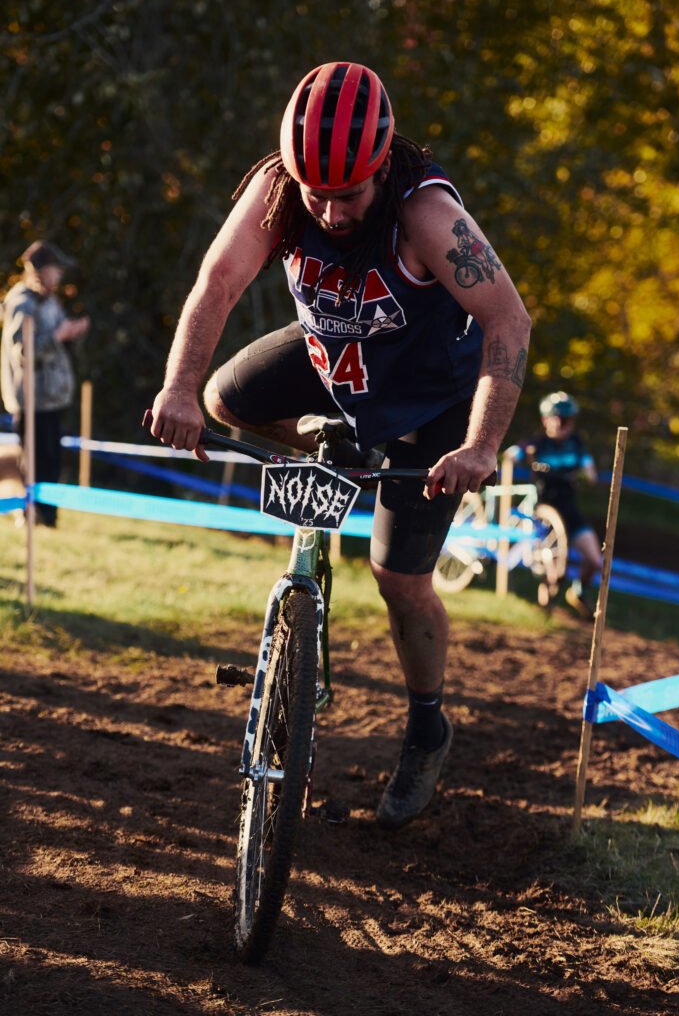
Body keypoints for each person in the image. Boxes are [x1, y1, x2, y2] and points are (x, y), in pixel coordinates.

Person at [148, 62, 531, 828]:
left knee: (398, 579)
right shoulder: (277, 190)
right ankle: (335, 445)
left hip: (430, 401)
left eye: (347, 194)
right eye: (313, 192)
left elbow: (508, 321)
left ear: (381, 167)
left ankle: (426, 727)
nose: (327, 210)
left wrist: (481, 446)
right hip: (338, 361)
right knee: (223, 397)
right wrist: (176, 389)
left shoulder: (426, 214)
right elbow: (217, 283)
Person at [0, 240, 89, 526]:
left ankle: (47, 517)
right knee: (35, 461)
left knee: (51, 460)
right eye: (56, 269)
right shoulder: (22, 302)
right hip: (31, 400)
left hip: (51, 399)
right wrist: (58, 336)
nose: (60, 275)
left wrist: (71, 333)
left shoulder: (49, 300)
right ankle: (31, 515)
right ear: (40, 270)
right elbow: (23, 352)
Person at [505, 391, 602, 619]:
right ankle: (545, 607)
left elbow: (589, 468)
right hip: (544, 514)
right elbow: (511, 454)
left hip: (570, 510)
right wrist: (520, 455)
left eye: (566, 420)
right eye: (556, 418)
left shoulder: (576, 444)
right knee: (554, 569)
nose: (560, 424)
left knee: (594, 560)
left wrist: (588, 473)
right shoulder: (537, 442)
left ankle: (578, 592)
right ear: (545, 419)